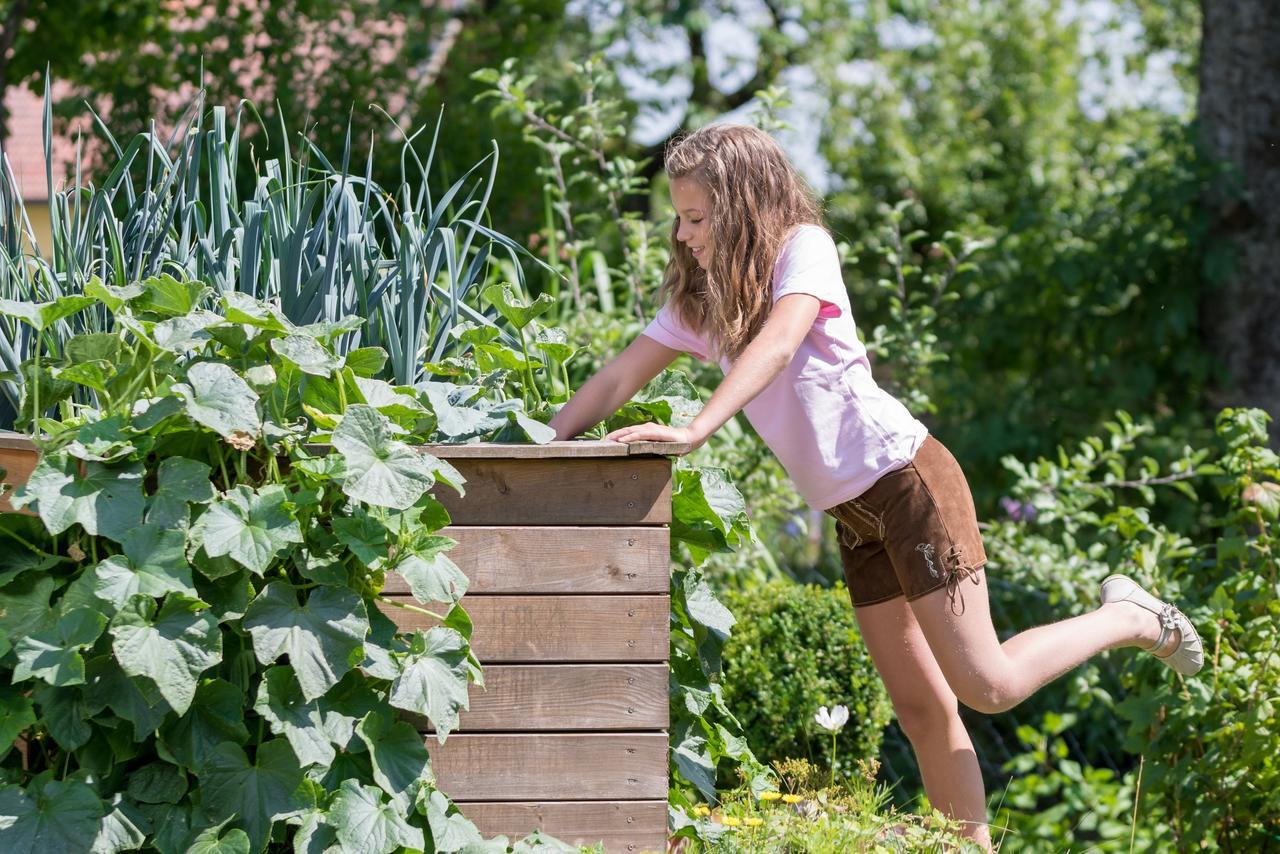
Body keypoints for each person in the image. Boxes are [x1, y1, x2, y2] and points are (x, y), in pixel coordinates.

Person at [546, 123, 1202, 848]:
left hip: (907, 483)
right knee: (922, 712)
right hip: (855, 514)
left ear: (741, 208)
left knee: (987, 687)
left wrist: (700, 425)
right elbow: (615, 376)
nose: (682, 233)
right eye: (678, 216)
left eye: (697, 218)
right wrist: (536, 444)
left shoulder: (804, 249)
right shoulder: (706, 303)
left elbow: (782, 340)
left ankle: (1135, 618)